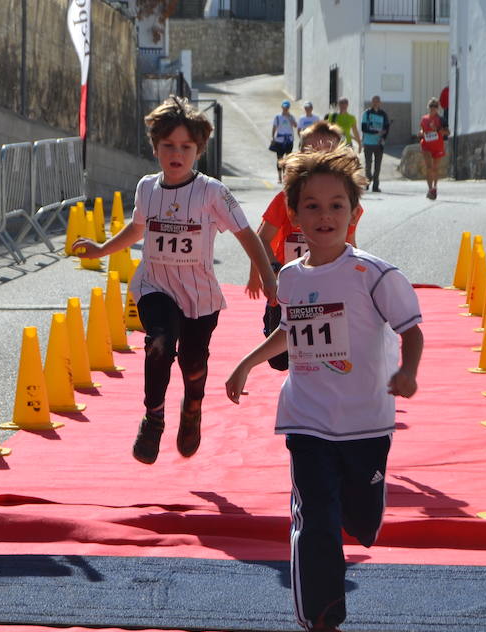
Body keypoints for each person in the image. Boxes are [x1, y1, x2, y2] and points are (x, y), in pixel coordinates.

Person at [224, 147, 423, 632]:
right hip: (307, 418)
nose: (324, 216)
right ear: (294, 215)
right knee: (315, 519)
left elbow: (411, 328)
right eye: (311, 206)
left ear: (355, 214)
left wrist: (408, 371)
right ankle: (323, 630)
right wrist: (246, 363)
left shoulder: (374, 275)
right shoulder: (290, 277)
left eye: (336, 205)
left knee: (360, 520)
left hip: (367, 422)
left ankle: (361, 517)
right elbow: (290, 331)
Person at [74, 95, 278, 464]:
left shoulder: (213, 192)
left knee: (194, 364)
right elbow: (138, 229)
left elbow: (248, 234)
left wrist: (268, 277)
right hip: (155, 286)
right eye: (168, 145)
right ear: (155, 148)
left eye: (186, 147)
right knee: (159, 345)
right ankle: (153, 417)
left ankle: (192, 409)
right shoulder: (147, 188)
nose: (176, 153)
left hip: (199, 295)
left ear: (198, 150)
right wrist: (102, 249)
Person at [247, 120, 362, 372]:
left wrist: (356, 281)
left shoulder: (345, 204)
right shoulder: (284, 200)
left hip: (327, 284)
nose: (320, 157)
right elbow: (262, 238)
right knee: (278, 360)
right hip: (287, 283)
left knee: (323, 350)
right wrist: (268, 271)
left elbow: (350, 244)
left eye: (328, 152)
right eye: (313, 151)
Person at [417, 97, 448, 200]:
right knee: (429, 167)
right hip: (426, 145)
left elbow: (447, 132)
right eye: (431, 106)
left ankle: (435, 187)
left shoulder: (441, 119)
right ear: (428, 107)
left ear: (438, 108)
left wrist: (437, 129)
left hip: (437, 146)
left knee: (435, 168)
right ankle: (430, 189)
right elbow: (422, 130)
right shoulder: (424, 119)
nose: (433, 108)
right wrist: (421, 133)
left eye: (435, 106)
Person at [360, 95, 391, 193]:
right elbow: (364, 128)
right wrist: (376, 132)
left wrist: (383, 138)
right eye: (374, 101)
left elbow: (387, 128)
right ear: (371, 102)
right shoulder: (367, 113)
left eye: (377, 101)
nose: (376, 103)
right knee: (368, 165)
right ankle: (367, 182)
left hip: (379, 144)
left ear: (380, 103)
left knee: (378, 166)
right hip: (368, 143)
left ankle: (376, 186)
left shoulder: (383, 114)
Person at [270, 100, 298, 178]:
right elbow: (274, 127)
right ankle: (279, 176)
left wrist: (289, 118)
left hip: (289, 140)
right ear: (282, 107)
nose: (285, 109)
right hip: (280, 140)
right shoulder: (278, 117)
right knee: (279, 158)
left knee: (288, 158)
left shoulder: (291, 116)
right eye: (284, 107)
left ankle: (286, 175)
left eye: (287, 107)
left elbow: (295, 125)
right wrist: (273, 137)